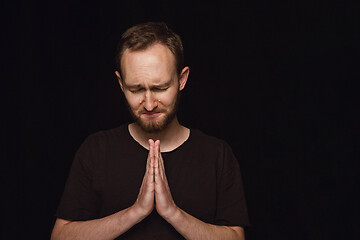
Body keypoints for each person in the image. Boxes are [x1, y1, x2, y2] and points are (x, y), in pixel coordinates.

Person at [51, 22, 250, 240]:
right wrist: (135, 212)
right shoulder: (96, 150)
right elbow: (60, 236)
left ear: (181, 79)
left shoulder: (217, 155)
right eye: (136, 89)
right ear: (121, 83)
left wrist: (173, 213)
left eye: (160, 88)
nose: (148, 104)